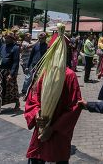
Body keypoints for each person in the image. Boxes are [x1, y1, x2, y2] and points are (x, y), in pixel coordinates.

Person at [24, 25, 82, 164]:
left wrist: (53, 128)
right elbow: (33, 98)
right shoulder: (43, 73)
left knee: (58, 157)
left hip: (58, 133)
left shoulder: (69, 76)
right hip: (41, 128)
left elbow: (75, 107)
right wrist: (37, 114)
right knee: (37, 157)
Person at [0, 32, 20, 114]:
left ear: (12, 39)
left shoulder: (16, 48)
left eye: (8, 38)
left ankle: (17, 102)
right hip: (0, 71)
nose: (6, 40)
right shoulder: (2, 46)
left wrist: (12, 74)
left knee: (11, 89)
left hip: (9, 72)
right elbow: (0, 59)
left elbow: (16, 62)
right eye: (5, 38)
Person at [21, 32, 48, 97]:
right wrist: (27, 66)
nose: (41, 39)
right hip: (33, 65)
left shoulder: (47, 46)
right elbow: (31, 56)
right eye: (40, 38)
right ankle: (25, 91)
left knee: (38, 79)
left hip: (42, 65)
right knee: (29, 78)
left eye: (43, 38)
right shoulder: (36, 45)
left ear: (45, 39)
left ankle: (36, 92)